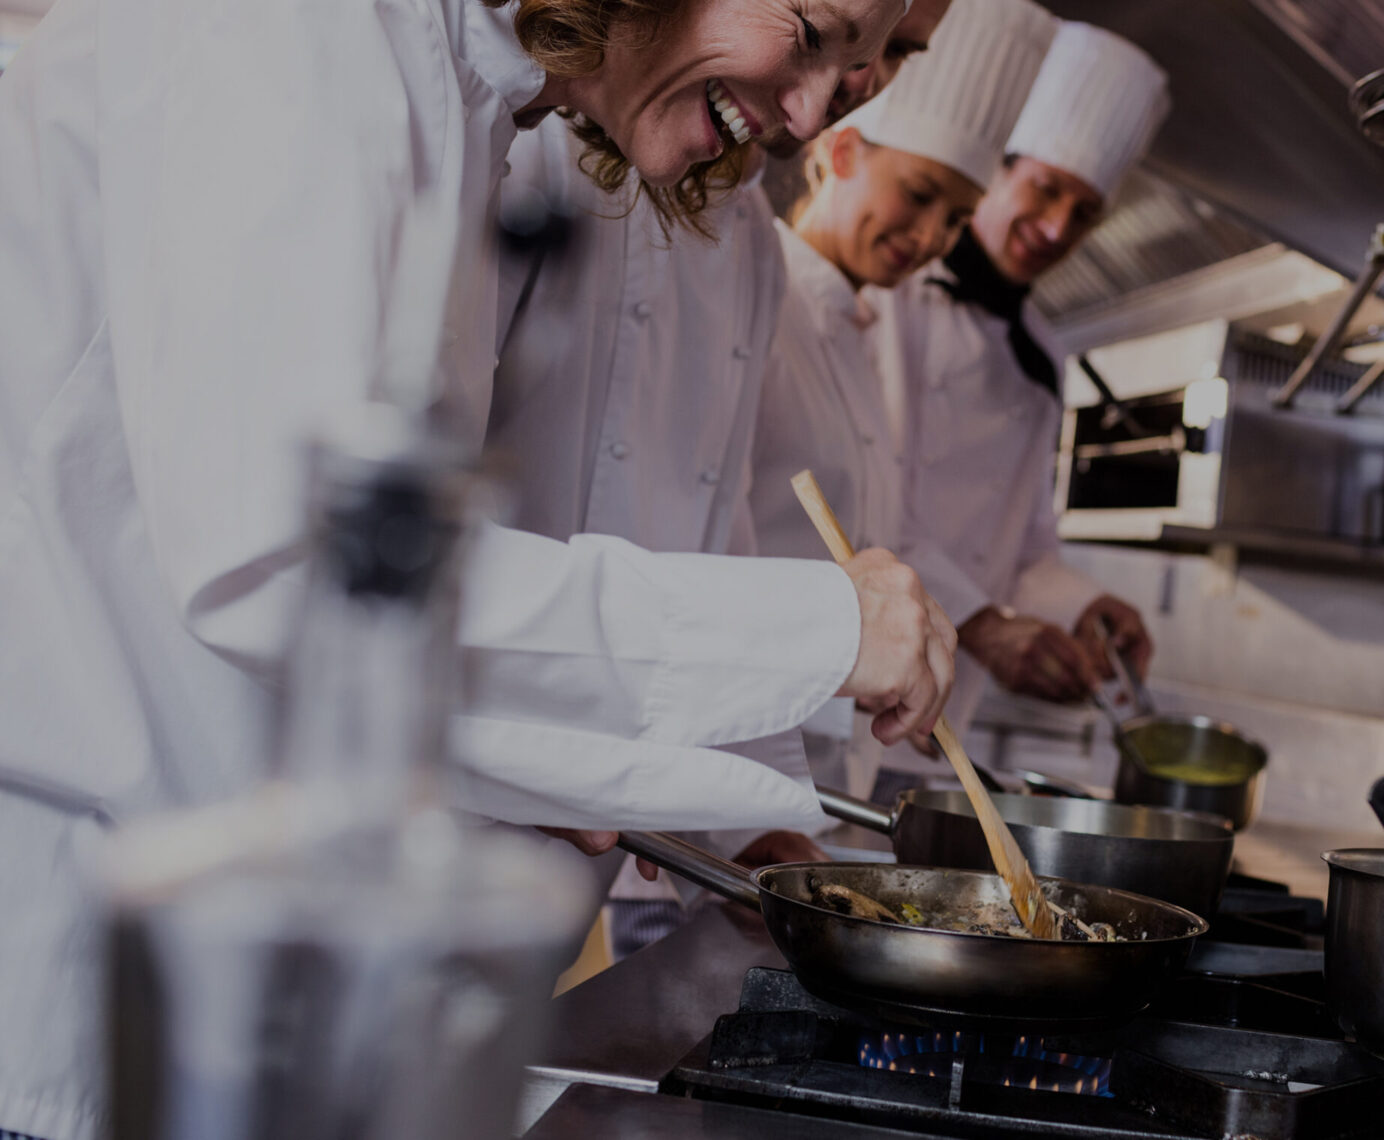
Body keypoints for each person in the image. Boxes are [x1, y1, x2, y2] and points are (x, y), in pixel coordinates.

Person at [0, 1, 956, 1136]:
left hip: (236, 959)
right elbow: (291, 560)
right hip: (77, 959)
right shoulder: (304, 31)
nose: (809, 110)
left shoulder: (462, 90)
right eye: (810, 31)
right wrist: (817, 635)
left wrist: (556, 760)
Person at [486, 0, 954, 952]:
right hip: (441, 809)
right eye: (825, 39)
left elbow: (715, 533)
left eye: (892, 55)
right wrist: (815, 632)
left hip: (569, 839)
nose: (849, 94)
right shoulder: (542, 135)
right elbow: (348, 554)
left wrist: (762, 840)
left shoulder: (747, 243)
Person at [746, 0, 1057, 796]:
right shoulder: (760, 290)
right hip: (726, 763)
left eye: (955, 219)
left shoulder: (856, 332)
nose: (928, 239)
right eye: (918, 196)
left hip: (806, 774)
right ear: (839, 151)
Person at [870, 21, 1172, 751]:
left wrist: (1085, 608)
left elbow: (1027, 548)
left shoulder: (1042, 353)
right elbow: (870, 506)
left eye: (1084, 213)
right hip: (854, 682)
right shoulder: (887, 296)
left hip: (946, 709)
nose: (1057, 227)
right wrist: (983, 623)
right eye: (1046, 189)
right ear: (996, 173)